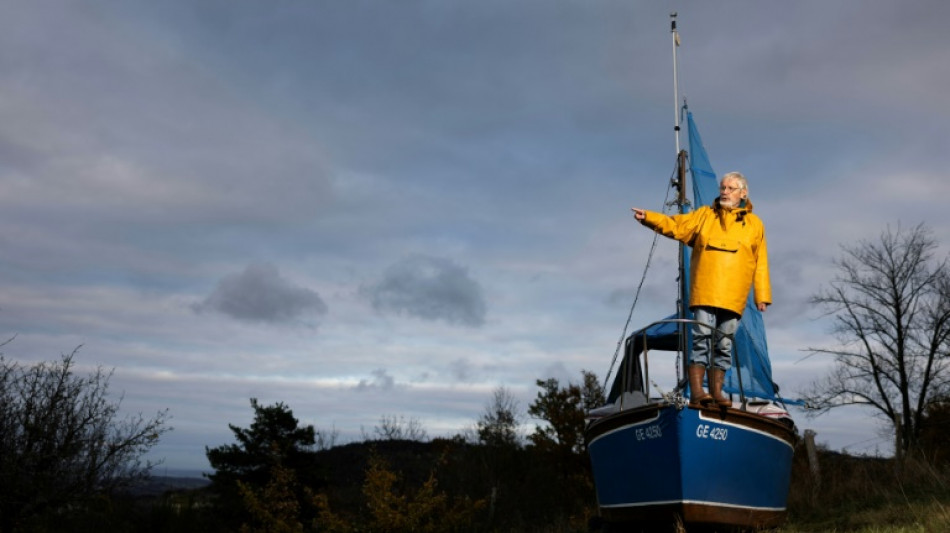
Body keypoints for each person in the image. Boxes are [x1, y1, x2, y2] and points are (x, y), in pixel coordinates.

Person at [631, 171, 771, 408]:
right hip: (705, 289)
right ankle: (698, 392)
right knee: (701, 339)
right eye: (722, 187)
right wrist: (649, 218)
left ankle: (717, 393)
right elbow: (676, 225)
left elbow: (761, 262)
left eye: (730, 188)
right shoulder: (705, 216)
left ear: (743, 193)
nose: (724, 192)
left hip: (734, 295)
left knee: (724, 343)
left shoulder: (755, 224)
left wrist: (762, 296)